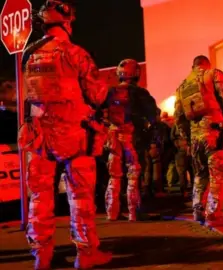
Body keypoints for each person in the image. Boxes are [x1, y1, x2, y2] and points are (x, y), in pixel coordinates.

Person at [18, 0, 112, 268]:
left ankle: (41, 255)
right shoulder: (74, 52)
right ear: (67, 22)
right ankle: (85, 254)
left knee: (40, 197)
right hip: (74, 135)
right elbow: (97, 94)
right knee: (80, 196)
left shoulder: (29, 55)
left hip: (39, 135)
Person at [174, 55, 223, 226]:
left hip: (195, 137)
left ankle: (198, 211)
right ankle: (213, 215)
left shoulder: (182, 86)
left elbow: (178, 117)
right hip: (215, 134)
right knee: (218, 176)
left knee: (200, 174)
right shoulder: (213, 74)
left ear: (193, 65)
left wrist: (188, 139)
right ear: (206, 64)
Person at [103, 59, 157, 222]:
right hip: (132, 137)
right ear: (136, 74)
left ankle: (112, 212)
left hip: (112, 138)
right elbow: (153, 117)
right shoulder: (140, 93)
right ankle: (134, 212)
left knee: (114, 175)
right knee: (133, 174)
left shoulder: (110, 92)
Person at [171, 123, 195, 198]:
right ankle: (195, 190)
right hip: (190, 148)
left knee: (182, 172)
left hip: (180, 149)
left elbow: (171, 137)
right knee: (193, 171)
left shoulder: (176, 125)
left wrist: (176, 144)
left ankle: (184, 191)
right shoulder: (190, 123)